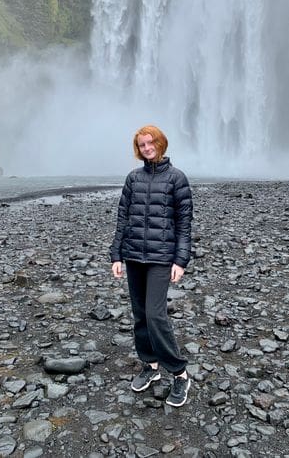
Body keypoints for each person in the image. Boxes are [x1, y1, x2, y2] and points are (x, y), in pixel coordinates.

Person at [110, 124, 193, 407]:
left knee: (156, 316)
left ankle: (180, 374)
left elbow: (184, 225)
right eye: (141, 145)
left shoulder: (177, 179)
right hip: (134, 256)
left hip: (160, 258)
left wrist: (180, 260)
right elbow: (122, 219)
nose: (147, 148)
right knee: (140, 315)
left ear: (160, 143)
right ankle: (150, 365)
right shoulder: (133, 178)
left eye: (150, 143)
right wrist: (116, 255)